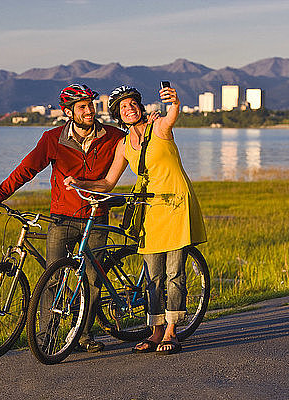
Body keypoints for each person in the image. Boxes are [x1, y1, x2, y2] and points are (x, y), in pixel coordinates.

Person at [0, 83, 127, 353]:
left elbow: (141, 147)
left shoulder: (113, 136)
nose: (89, 111)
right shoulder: (52, 139)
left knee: (93, 280)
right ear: (68, 111)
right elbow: (26, 169)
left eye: (91, 105)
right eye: (82, 107)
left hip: (96, 218)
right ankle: (47, 336)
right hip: (61, 217)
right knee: (52, 277)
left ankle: (83, 335)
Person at [64, 85, 207, 355]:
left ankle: (172, 331)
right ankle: (155, 332)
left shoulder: (160, 128)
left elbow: (173, 113)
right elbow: (107, 181)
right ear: (118, 114)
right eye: (122, 106)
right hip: (149, 209)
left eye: (132, 104)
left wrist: (174, 101)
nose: (129, 109)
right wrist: (79, 182)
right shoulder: (123, 145)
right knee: (153, 276)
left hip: (176, 204)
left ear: (140, 108)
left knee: (174, 273)